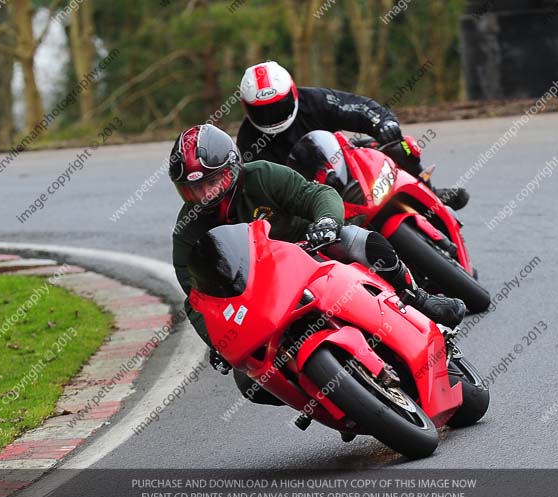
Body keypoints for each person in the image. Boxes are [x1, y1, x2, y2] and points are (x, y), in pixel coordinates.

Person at [171, 124, 466, 403]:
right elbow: (197, 299)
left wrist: (326, 221)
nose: (205, 194)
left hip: (310, 248)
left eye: (212, 182)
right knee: (249, 380)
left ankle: (419, 298)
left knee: (359, 239)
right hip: (260, 297)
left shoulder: (261, 175)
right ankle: (327, 396)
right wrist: (218, 342)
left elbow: (315, 194)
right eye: (193, 189)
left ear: (232, 168)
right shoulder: (187, 230)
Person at [237, 60, 469, 210]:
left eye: (278, 106)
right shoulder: (248, 139)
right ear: (246, 107)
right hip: (309, 197)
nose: (272, 115)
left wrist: (382, 122)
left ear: (293, 93)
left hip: (345, 163)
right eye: (262, 111)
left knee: (403, 146)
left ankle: (429, 192)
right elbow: (260, 186)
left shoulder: (315, 100)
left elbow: (356, 107)